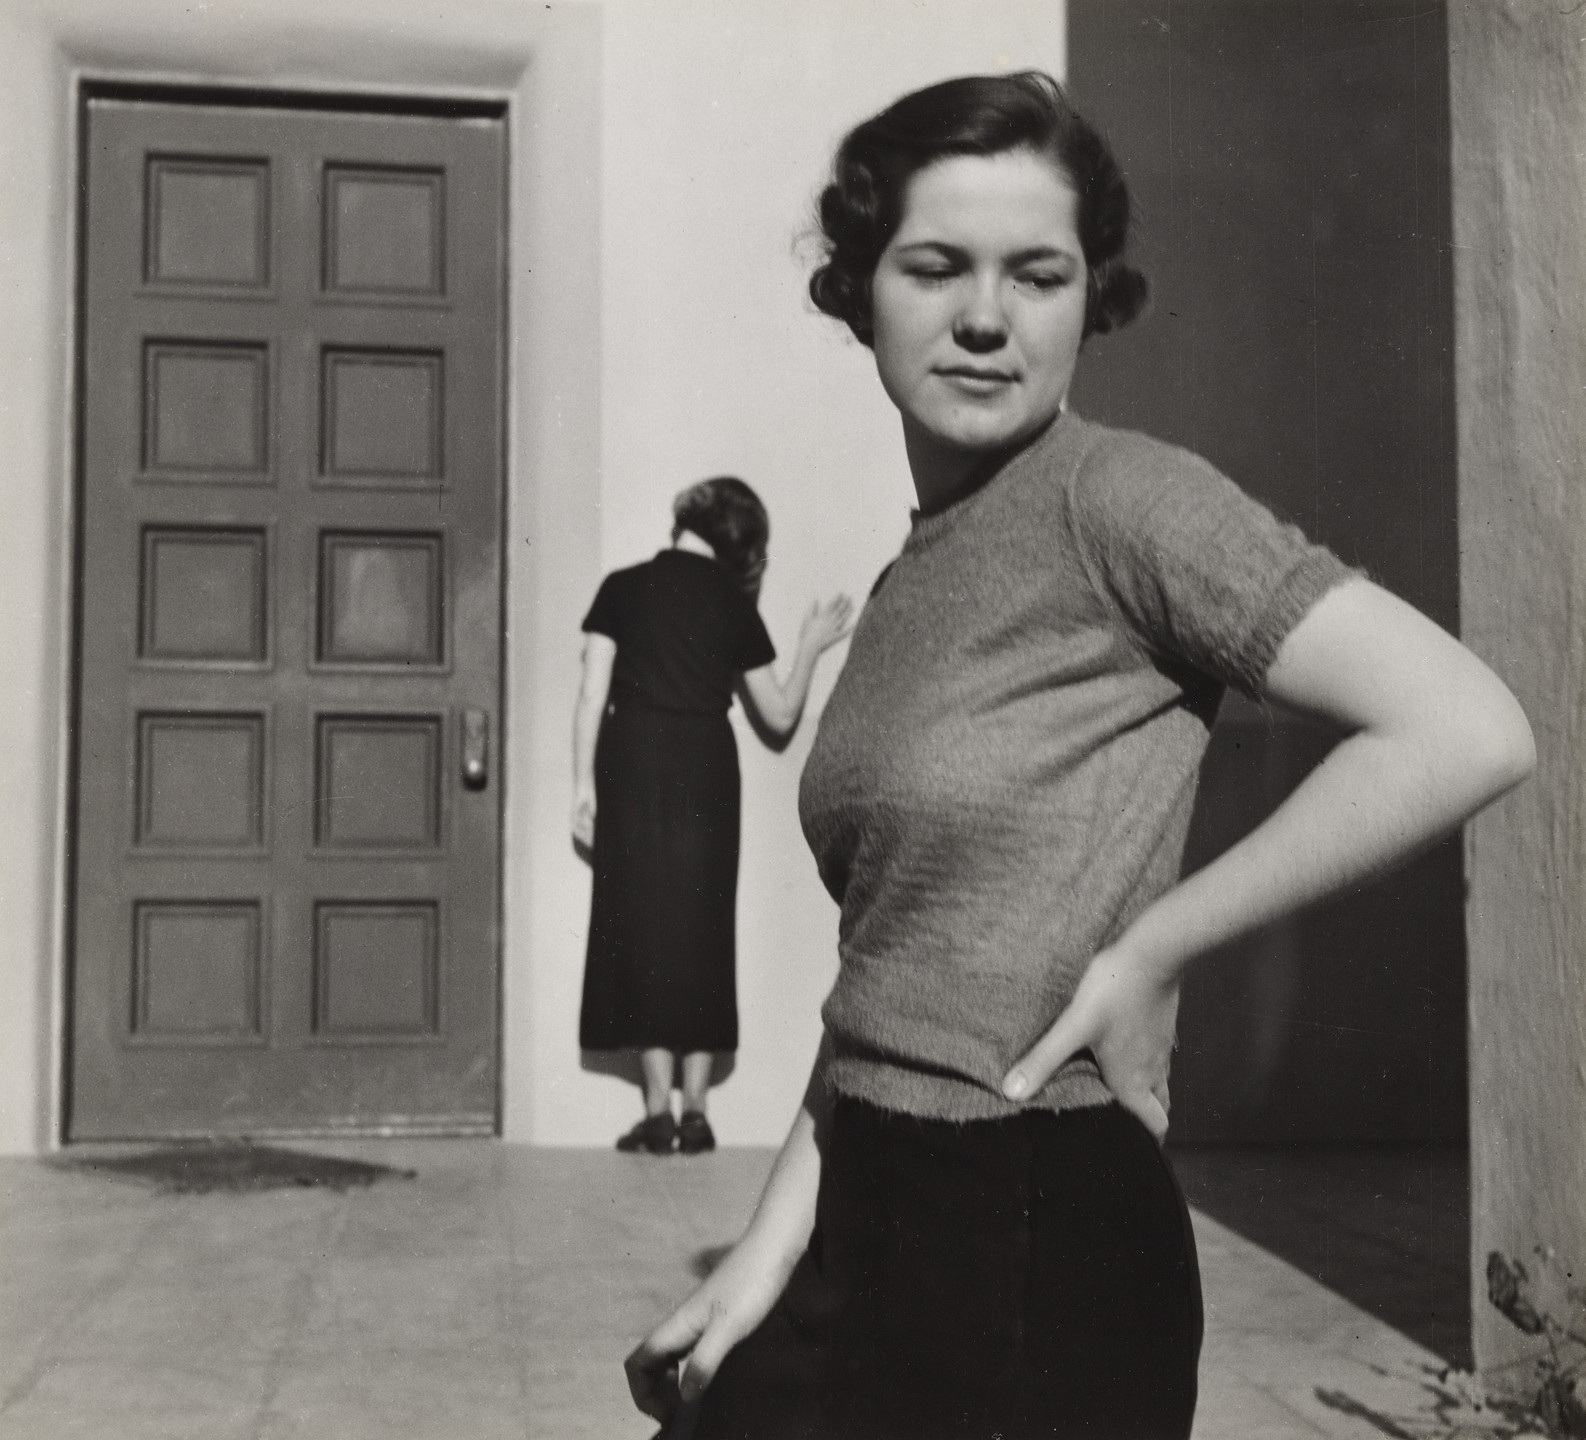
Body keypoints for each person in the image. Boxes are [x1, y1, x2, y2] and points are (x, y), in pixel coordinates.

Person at [623, 73, 1535, 1438]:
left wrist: (1152, 948)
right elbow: (891, 975)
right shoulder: (910, 577)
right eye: (935, 266)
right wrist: (760, 1260)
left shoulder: (1120, 501)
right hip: (864, 1205)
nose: (985, 316)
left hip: (1036, 1233)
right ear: (860, 287)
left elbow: (1464, 725)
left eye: (1037, 275)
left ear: (1086, 300)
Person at [574, 477, 853, 1156]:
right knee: (701, 925)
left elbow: (591, 694)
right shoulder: (731, 602)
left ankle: (657, 1110)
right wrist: (810, 644)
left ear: (684, 523)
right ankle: (697, 1110)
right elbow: (779, 714)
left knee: (639, 924)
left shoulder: (621, 587)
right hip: (705, 766)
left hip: (632, 760)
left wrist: (582, 785)